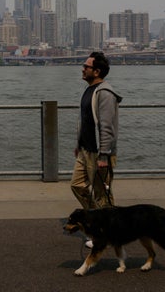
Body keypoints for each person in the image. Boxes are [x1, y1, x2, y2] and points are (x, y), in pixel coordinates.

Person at [70, 51, 122, 215]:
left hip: (99, 153)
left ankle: (108, 230)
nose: (82, 69)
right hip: (85, 150)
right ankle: (96, 220)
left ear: (97, 71)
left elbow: (107, 127)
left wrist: (104, 155)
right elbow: (85, 121)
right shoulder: (89, 90)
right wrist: (78, 144)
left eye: (86, 66)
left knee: (102, 195)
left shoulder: (105, 94)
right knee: (77, 185)